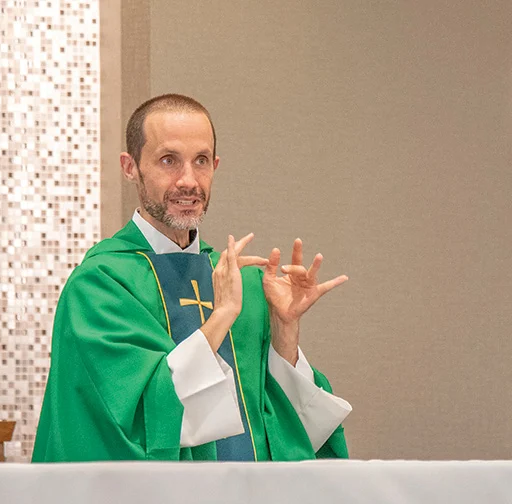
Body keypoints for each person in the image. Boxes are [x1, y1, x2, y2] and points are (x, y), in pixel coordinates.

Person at [32, 94, 352, 462]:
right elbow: (135, 419)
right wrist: (220, 317)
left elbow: (281, 426)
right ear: (130, 167)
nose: (188, 181)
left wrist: (284, 330)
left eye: (200, 161)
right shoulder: (101, 284)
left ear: (215, 166)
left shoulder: (240, 282)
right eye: (168, 160)